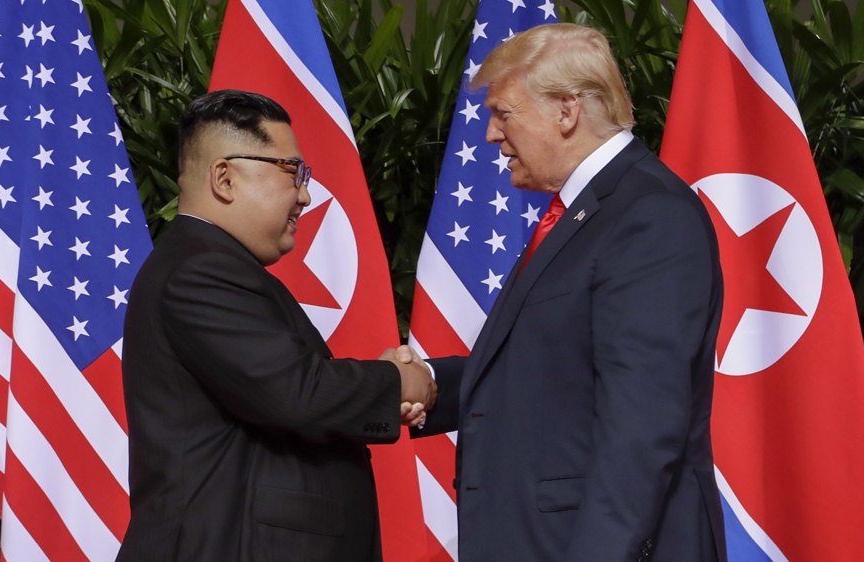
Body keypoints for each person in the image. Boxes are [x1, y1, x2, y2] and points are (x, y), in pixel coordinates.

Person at [404, 23, 726, 562]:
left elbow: (641, 427)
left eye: (503, 112)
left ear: (566, 110)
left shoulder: (648, 215)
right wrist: (429, 383)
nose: (490, 134)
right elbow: (550, 370)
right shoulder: (587, 210)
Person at [117, 89, 434, 562]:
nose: (305, 195)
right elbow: (297, 392)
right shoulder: (199, 270)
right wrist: (400, 382)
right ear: (224, 178)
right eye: (293, 172)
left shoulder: (210, 264)